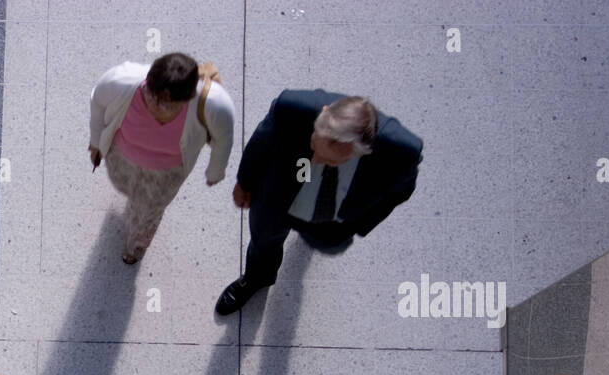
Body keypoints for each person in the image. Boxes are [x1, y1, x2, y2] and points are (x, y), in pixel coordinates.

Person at [215, 90, 423, 315]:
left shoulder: (401, 152)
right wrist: (244, 183)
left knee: (327, 242)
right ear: (323, 114)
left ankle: (312, 228)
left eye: (328, 159)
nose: (317, 160)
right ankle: (257, 279)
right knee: (264, 239)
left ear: (363, 152)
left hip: (330, 218)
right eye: (315, 145)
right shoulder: (293, 108)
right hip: (285, 190)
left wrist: (358, 225)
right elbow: (260, 144)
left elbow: (400, 191)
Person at [89, 52, 235, 263]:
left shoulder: (216, 106)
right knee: (126, 189)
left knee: (148, 214)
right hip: (121, 158)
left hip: (166, 174)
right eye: (150, 95)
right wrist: (95, 142)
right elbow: (97, 101)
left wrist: (215, 171)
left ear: (189, 98)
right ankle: (135, 203)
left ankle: (135, 247)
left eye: (167, 104)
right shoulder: (121, 80)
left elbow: (224, 140)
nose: (155, 106)